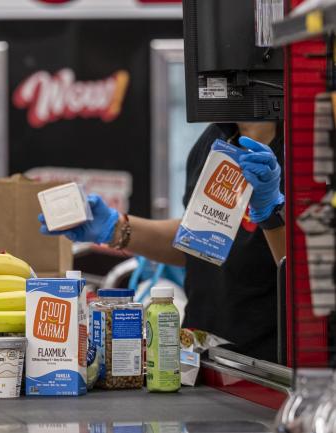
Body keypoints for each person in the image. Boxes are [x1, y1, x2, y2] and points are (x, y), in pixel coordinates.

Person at [40, 121, 285, 362]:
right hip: (203, 353)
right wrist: (116, 228)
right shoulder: (215, 139)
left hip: (270, 364)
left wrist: (272, 216)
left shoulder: (305, 148)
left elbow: (306, 277)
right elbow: (200, 240)